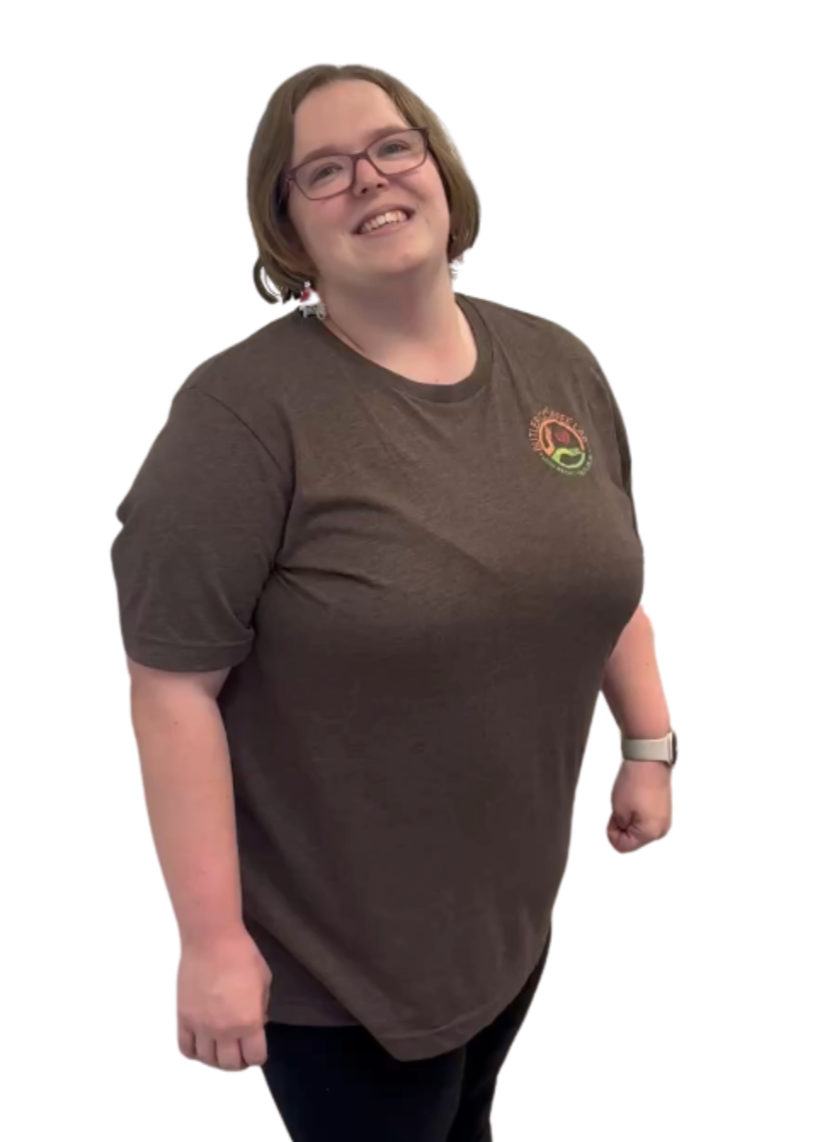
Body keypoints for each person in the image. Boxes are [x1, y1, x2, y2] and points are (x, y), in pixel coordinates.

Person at [114, 61, 647, 1142]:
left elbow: (602, 583)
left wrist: (648, 742)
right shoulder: (239, 414)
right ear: (287, 226)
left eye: (391, 147)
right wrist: (210, 942)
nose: (368, 178)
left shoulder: (557, 360)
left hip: (506, 926)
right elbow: (169, 686)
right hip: (338, 971)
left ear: (440, 167)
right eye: (323, 170)